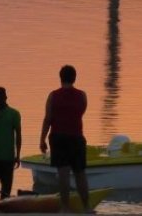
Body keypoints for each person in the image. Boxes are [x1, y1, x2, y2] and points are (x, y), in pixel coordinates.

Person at [39, 65, 90, 213]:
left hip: (59, 137)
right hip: (77, 137)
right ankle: (86, 207)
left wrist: (42, 140)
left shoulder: (53, 96)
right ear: (74, 78)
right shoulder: (82, 95)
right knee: (80, 173)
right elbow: (81, 112)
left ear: (60, 78)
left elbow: (48, 119)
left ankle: (65, 207)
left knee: (63, 173)